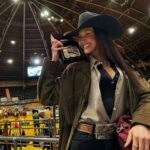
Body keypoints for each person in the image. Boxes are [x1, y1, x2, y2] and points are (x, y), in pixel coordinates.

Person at [38, 11, 150, 150]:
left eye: (88, 34)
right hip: (84, 141)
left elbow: (147, 95)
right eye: (80, 37)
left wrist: (142, 123)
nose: (82, 41)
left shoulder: (125, 68)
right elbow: (47, 97)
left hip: (118, 140)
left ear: (101, 35)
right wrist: (54, 59)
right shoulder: (75, 70)